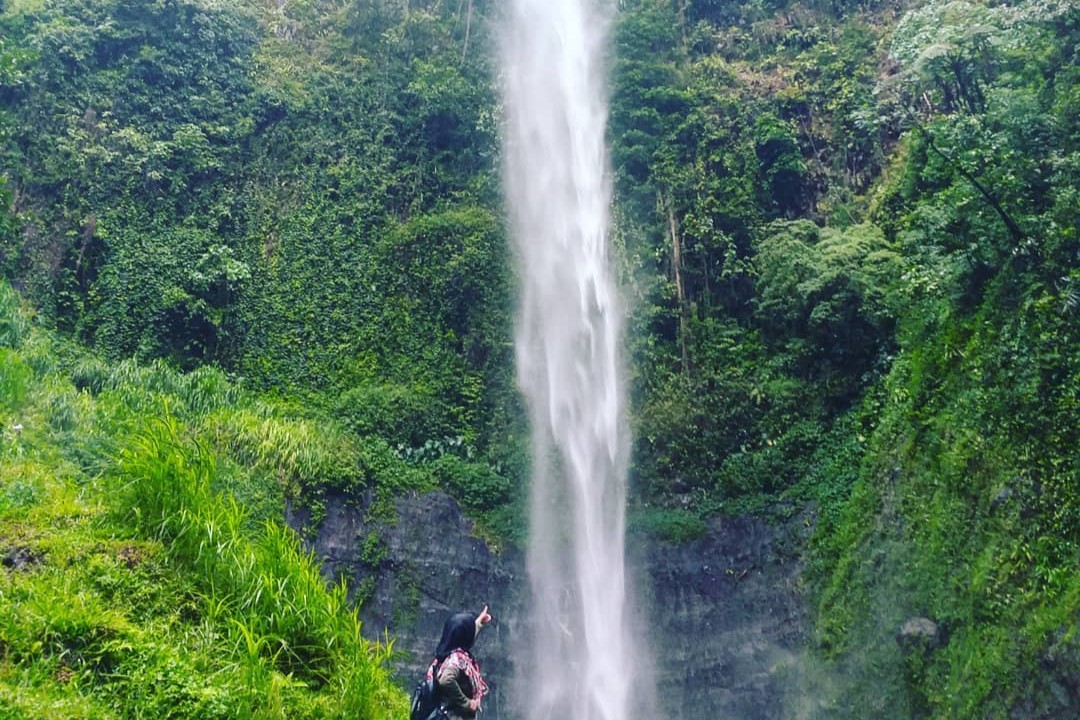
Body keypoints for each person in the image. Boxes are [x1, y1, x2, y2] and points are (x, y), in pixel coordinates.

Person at [426, 605, 492, 719]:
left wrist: (478, 623)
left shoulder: (444, 654)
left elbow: (463, 634)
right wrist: (467, 703)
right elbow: (446, 680)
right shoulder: (457, 660)